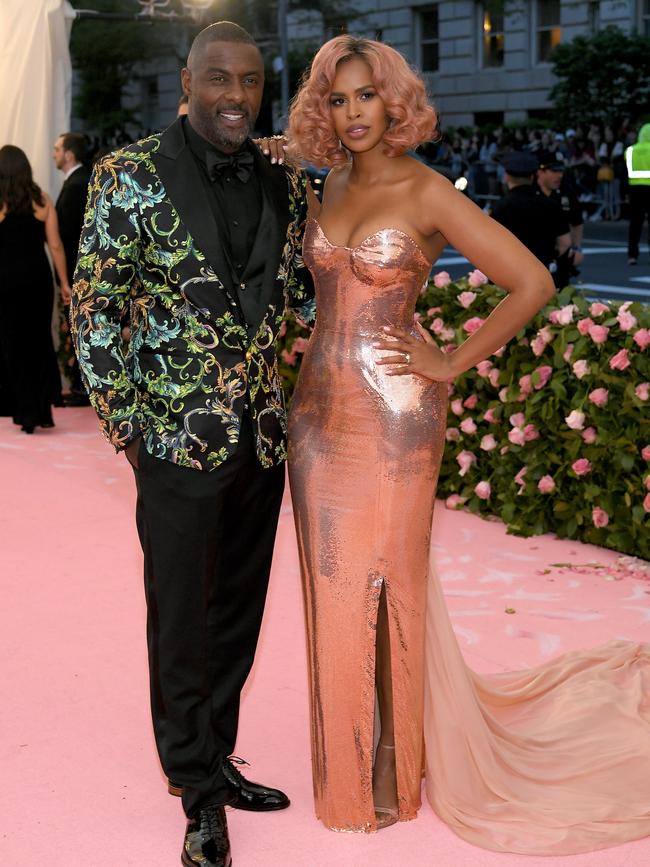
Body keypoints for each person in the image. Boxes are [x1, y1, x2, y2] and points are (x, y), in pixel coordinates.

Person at [286, 34, 650, 853]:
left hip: (394, 420)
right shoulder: (328, 184)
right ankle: (344, 777)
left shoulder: (427, 191)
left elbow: (534, 281)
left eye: (365, 97)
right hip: (314, 416)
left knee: (389, 588)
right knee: (331, 590)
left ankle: (392, 773)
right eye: (337, 100)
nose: (351, 114)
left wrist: (449, 359)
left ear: (394, 101)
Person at [70, 22, 315, 867]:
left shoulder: (285, 181)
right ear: (187, 79)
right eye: (219, 78)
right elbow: (95, 308)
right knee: (180, 619)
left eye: (249, 81)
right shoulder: (130, 174)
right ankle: (197, 795)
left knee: (236, 613)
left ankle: (216, 755)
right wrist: (130, 427)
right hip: (173, 442)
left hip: (262, 441)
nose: (237, 96)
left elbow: (302, 300)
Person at [0, 145, 70, 433]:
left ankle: (20, 407)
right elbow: (55, 245)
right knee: (39, 341)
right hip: (37, 280)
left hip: (4, 282)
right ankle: (39, 410)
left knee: (11, 343)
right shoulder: (41, 200)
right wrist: (64, 282)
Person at [53, 131, 91, 406]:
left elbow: (71, 235)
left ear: (69, 154)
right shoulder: (76, 181)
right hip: (75, 274)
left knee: (80, 330)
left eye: (57, 149)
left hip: (77, 274)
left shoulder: (77, 184)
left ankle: (82, 389)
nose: (53, 153)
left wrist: (68, 279)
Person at [490, 151, 570, 272]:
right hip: (542, 269)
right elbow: (565, 242)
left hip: (510, 271)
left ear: (507, 177)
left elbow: (490, 244)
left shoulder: (500, 207)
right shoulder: (551, 205)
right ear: (533, 176)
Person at [535, 150, 584, 288]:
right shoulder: (530, 193)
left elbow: (577, 222)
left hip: (561, 254)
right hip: (535, 253)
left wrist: (577, 248)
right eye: (554, 171)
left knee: (561, 291)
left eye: (561, 171)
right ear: (541, 171)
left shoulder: (566, 193)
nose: (559, 175)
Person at [626, 123, 650, 265]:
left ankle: (632, 255)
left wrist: (626, 192)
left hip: (635, 189)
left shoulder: (631, 150)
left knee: (635, 223)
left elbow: (625, 173)